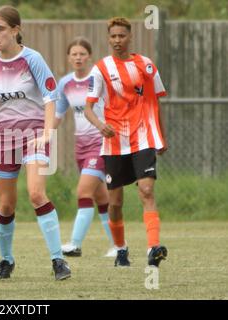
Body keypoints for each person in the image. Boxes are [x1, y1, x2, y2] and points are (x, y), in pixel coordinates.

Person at [0, 5, 71, 280]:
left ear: (16, 30)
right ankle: (6, 260)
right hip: (2, 137)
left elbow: (50, 97)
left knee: (36, 194)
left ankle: (58, 261)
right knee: (6, 205)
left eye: (1, 29)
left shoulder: (33, 59)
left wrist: (46, 133)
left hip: (33, 135)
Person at [84, 17, 168, 267]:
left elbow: (155, 101)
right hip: (114, 141)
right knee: (115, 203)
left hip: (143, 137)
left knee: (146, 190)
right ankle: (121, 248)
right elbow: (88, 108)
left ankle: (153, 248)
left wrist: (160, 135)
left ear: (130, 37)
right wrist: (101, 126)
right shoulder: (100, 69)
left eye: (122, 36)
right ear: (108, 39)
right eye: (113, 37)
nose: (117, 40)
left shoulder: (146, 66)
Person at [54, 37, 116, 258]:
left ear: (89, 56)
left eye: (82, 53)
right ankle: (119, 245)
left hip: (100, 145)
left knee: (83, 191)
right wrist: (43, 135)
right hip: (80, 147)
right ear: (69, 58)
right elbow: (58, 115)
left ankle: (75, 244)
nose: (78, 57)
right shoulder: (65, 84)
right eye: (74, 54)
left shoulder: (98, 79)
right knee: (101, 199)